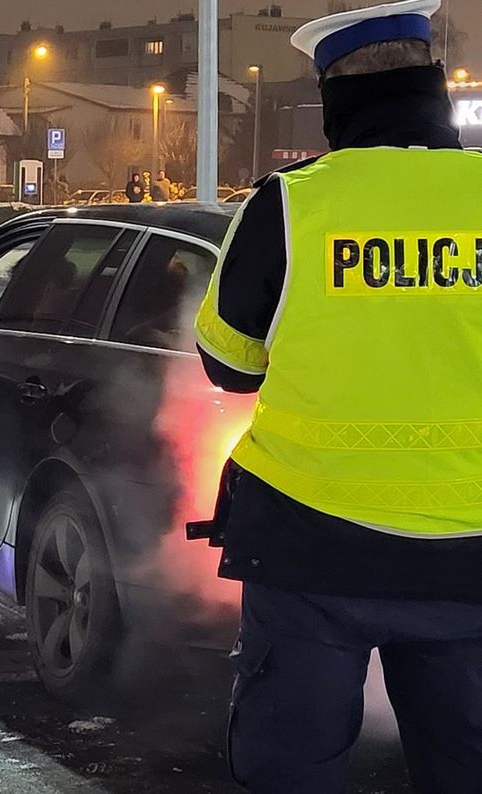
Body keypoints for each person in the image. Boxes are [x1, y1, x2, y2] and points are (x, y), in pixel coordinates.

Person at [191, 1, 482, 790]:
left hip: (310, 553)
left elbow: (226, 362)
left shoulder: (289, 206)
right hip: (472, 559)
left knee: (290, 772)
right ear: (434, 86)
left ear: (334, 100)